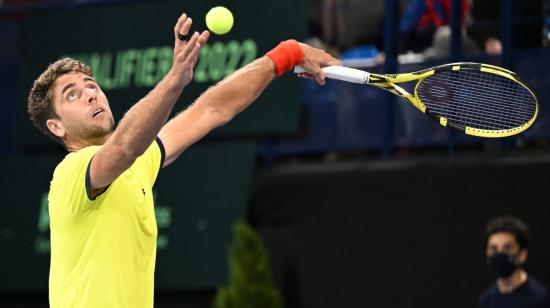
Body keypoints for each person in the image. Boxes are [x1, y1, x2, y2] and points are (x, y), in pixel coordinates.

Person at [26, 12, 340, 308]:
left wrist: (285, 55)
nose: (91, 94)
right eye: (72, 95)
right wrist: (175, 80)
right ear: (57, 126)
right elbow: (123, 147)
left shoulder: (137, 164)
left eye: (91, 86)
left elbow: (212, 109)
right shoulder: (71, 173)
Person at [479, 215, 550, 308]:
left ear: (522, 254)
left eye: (507, 248)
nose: (499, 254)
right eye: (493, 248)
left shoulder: (539, 299)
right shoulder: (487, 300)